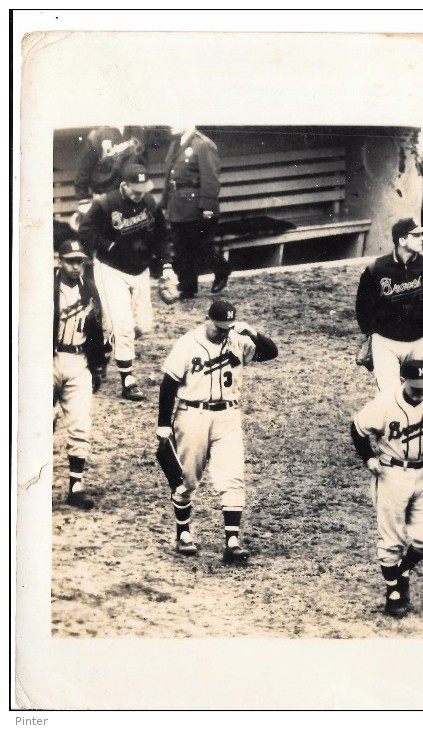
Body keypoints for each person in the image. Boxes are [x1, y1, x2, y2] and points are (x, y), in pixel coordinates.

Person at [156, 300, 278, 562]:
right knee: (185, 479)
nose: (224, 332)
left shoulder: (237, 339)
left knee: (233, 477)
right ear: (207, 319)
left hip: (228, 416)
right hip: (191, 415)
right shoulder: (188, 344)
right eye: (220, 327)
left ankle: (232, 542)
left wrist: (252, 333)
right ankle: (184, 534)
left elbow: (270, 353)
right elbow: (168, 384)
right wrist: (163, 424)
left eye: (228, 328)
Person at [350, 359, 423, 618]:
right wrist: (369, 458)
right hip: (392, 474)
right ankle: (394, 594)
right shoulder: (385, 403)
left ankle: (402, 570)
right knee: (392, 541)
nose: (420, 391)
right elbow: (357, 429)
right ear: (403, 381)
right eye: (415, 386)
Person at [79, 163, 176, 402]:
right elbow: (85, 230)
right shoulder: (105, 204)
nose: (138, 193)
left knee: (142, 325)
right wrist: (109, 246)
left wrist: (166, 266)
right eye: (134, 189)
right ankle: (128, 379)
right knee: (122, 325)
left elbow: (162, 236)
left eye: (142, 189)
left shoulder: (150, 204)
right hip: (111, 269)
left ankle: (105, 345)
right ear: (123, 185)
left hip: (139, 268)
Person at [355, 217, 423, 392]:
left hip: (416, 342)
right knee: (390, 394)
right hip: (386, 342)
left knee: (414, 392)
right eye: (416, 235)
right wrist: (371, 332)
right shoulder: (377, 268)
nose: (422, 238)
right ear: (402, 240)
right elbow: (363, 303)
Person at [53, 240, 108, 510]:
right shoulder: (45, 287)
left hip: (78, 360)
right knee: (39, 423)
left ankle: (76, 486)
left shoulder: (90, 290)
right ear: (59, 261)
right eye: (70, 261)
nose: (75, 266)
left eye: (79, 261)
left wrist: (97, 366)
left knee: (80, 423)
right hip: (48, 359)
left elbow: (96, 332)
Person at [160, 126, 232, 298]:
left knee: (201, 246)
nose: (170, 124)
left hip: (196, 206)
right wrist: (164, 203)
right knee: (181, 247)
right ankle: (187, 287)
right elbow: (169, 178)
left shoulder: (203, 144)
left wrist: (208, 206)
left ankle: (222, 269)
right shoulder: (176, 144)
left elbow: (210, 177)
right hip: (177, 204)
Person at [73, 126, 147, 219]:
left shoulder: (137, 131)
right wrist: (83, 200)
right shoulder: (97, 134)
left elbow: (143, 167)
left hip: (131, 200)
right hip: (105, 200)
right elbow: (83, 171)